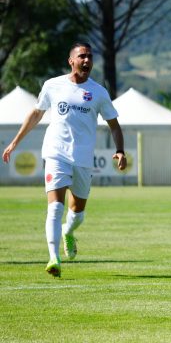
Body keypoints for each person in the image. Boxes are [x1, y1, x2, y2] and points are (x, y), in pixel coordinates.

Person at [2, 42, 127, 278]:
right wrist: (15, 142)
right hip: (55, 153)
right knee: (55, 207)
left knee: (77, 213)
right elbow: (37, 113)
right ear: (71, 60)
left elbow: (114, 124)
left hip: (82, 158)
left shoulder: (98, 92)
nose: (87, 60)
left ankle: (69, 232)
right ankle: (53, 257)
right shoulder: (53, 86)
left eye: (90, 56)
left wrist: (120, 150)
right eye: (82, 56)